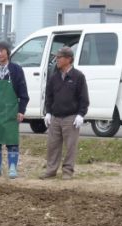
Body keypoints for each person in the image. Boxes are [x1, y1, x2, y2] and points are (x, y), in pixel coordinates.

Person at [41, 46, 89, 180]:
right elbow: (49, 96)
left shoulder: (78, 76)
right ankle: (51, 170)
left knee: (70, 147)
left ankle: (67, 171)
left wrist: (81, 114)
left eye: (60, 57)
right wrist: (48, 112)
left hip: (71, 117)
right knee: (52, 146)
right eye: (57, 57)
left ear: (68, 59)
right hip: (55, 117)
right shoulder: (54, 77)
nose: (57, 59)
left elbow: (83, 98)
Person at [0, 41, 29, 179]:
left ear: (8, 53)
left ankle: (12, 168)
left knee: (11, 140)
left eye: (2, 50)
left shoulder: (16, 70)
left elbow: (23, 93)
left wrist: (21, 110)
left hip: (11, 111)